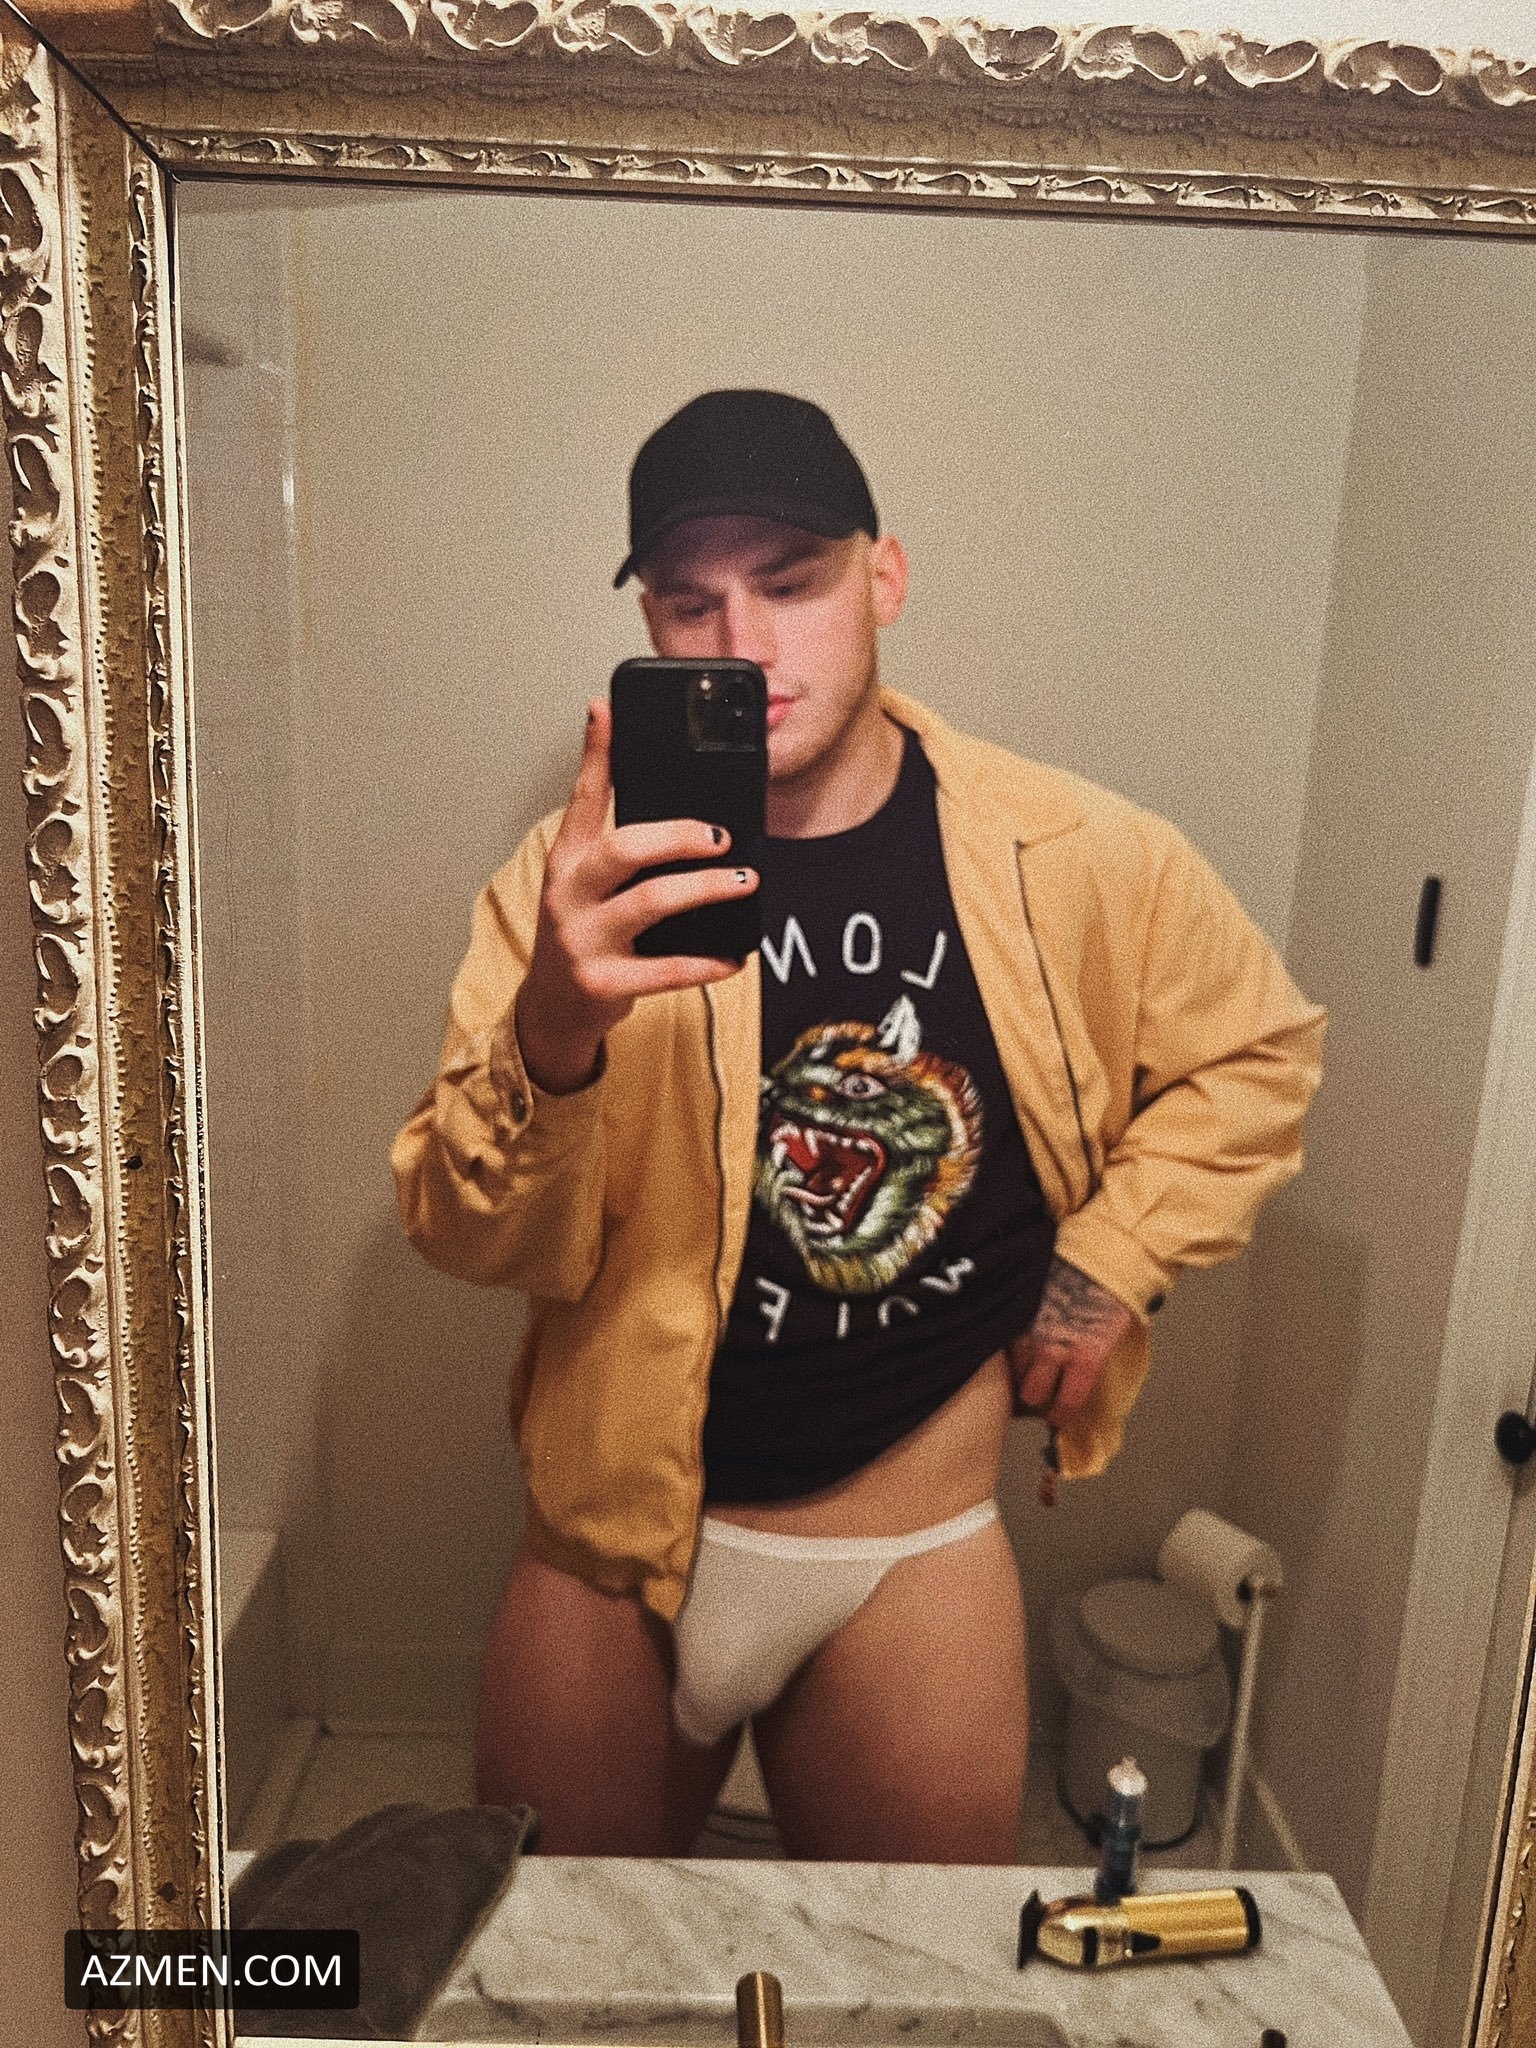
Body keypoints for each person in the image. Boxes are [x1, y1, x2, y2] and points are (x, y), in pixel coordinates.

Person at [391, 389, 1326, 1863]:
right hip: (611, 1556)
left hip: (909, 1554)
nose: (747, 645)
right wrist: (554, 1030)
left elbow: (1258, 1053)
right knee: (557, 1964)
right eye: (690, 603)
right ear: (649, 623)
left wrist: (1108, 1262)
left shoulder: (1070, 853)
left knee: (908, 1978)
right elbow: (461, 1230)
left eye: (792, 584)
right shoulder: (575, 883)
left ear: (883, 577)